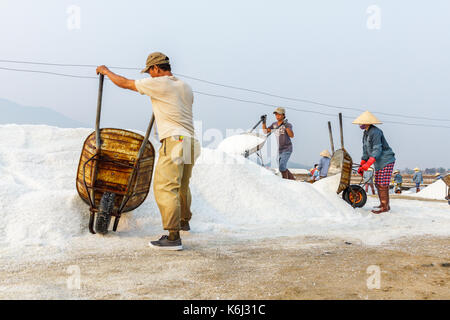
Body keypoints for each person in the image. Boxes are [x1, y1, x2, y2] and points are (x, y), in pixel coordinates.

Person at [96, 52, 200, 251]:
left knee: (165, 186)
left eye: (150, 72)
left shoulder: (160, 83)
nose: (150, 76)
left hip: (174, 139)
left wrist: (106, 71)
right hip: (190, 140)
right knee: (182, 184)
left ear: (156, 69)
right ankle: (184, 221)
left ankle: (172, 237)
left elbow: (125, 83)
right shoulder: (185, 86)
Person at [352, 111, 396, 214]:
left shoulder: (376, 132)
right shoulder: (366, 133)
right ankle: (383, 204)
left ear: (367, 123)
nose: (360, 125)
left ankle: (385, 207)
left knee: (382, 184)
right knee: (377, 183)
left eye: (361, 122)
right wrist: (363, 163)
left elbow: (377, 149)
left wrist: (368, 163)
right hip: (378, 162)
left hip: (386, 160)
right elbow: (365, 150)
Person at [262, 107, 295, 180]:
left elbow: (291, 135)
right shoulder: (274, 124)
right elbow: (265, 131)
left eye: (279, 115)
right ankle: (293, 180)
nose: (277, 116)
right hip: (280, 150)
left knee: (282, 167)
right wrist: (263, 122)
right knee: (282, 167)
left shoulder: (288, 124)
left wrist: (286, 126)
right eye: (276, 115)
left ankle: (285, 181)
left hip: (287, 148)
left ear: (283, 115)